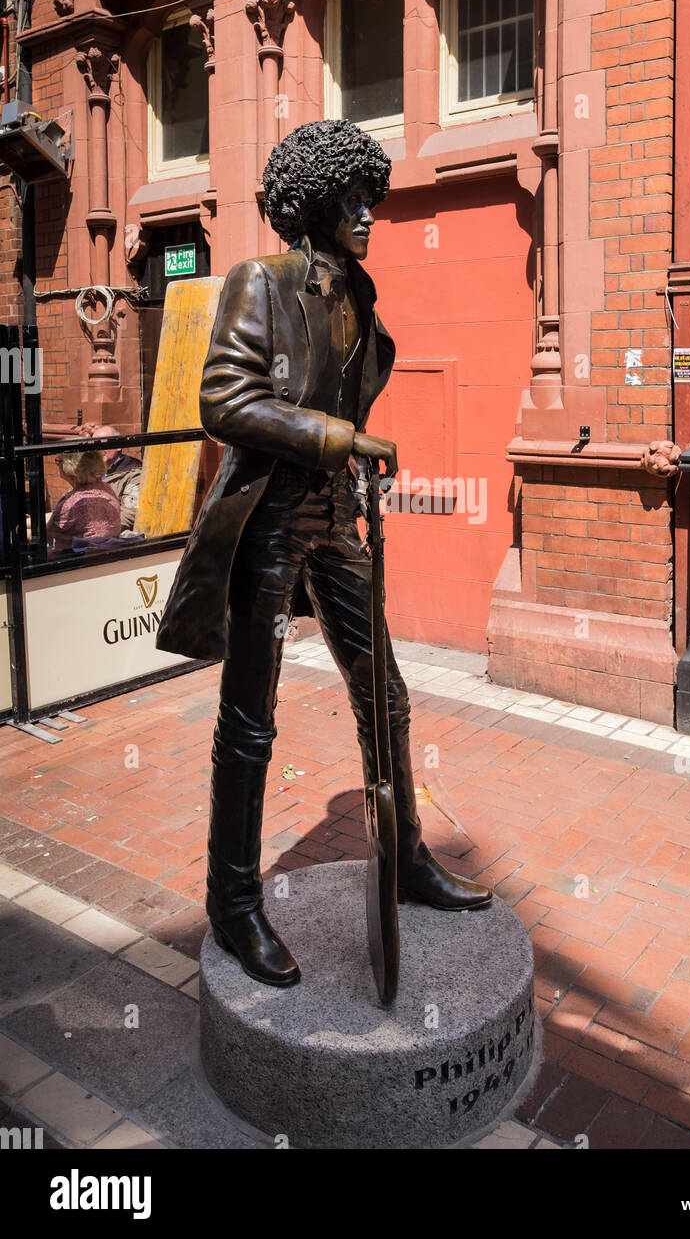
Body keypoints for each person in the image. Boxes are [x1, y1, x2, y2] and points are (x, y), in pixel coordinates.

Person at [156, 119, 491, 988]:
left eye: (371, 197)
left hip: (337, 520)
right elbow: (224, 399)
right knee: (251, 717)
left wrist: (351, 456)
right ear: (314, 203)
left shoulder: (360, 293)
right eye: (352, 199)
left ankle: (405, 858)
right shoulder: (258, 282)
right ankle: (232, 902)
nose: (368, 213)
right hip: (269, 517)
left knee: (385, 692)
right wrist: (336, 436)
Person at [47, 448, 121, 554]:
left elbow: (46, 536)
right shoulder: (106, 488)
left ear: (70, 468)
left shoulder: (72, 502)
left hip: (76, 561)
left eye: (59, 461)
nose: (57, 465)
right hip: (106, 555)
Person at [90, 425, 142, 532]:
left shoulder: (134, 473)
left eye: (103, 443)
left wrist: (95, 531)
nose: (98, 449)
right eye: (94, 445)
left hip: (110, 538)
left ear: (118, 445)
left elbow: (128, 516)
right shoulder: (91, 471)